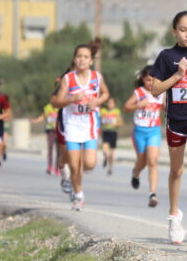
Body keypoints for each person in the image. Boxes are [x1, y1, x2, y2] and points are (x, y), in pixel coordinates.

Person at [151, 11, 187, 236]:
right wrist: (177, 76)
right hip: (175, 120)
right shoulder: (166, 56)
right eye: (183, 29)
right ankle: (174, 216)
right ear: (174, 31)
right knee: (176, 171)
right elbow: (155, 89)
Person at [53, 43, 110, 211]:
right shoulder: (68, 79)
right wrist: (72, 98)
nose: (82, 60)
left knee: (90, 163)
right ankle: (78, 195)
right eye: (79, 56)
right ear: (74, 59)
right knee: (74, 164)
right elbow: (56, 102)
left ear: (90, 61)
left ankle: (74, 177)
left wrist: (98, 101)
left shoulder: (97, 77)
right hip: (72, 125)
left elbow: (106, 93)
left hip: (90, 125)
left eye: (85, 57)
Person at [124, 66, 164, 207]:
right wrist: (139, 105)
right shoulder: (139, 92)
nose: (151, 83)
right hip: (139, 131)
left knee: (152, 161)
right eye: (148, 80)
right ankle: (136, 173)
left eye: (154, 79)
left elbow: (166, 107)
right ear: (142, 79)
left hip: (154, 131)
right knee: (142, 160)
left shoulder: (161, 93)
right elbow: (127, 107)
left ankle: (152, 194)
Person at [30, 101, 60, 175]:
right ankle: (50, 167)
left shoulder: (61, 106)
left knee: (59, 151)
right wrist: (35, 120)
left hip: (59, 131)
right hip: (50, 131)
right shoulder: (48, 107)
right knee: (50, 148)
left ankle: (57, 168)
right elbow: (43, 116)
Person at [100, 97, 122, 176]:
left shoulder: (116, 111)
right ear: (106, 103)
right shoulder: (103, 111)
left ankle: (110, 167)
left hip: (113, 132)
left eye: (112, 103)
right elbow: (100, 121)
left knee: (112, 153)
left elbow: (120, 123)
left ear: (114, 104)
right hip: (105, 132)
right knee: (104, 148)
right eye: (109, 103)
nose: (110, 105)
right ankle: (105, 157)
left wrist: (114, 124)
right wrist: (102, 122)